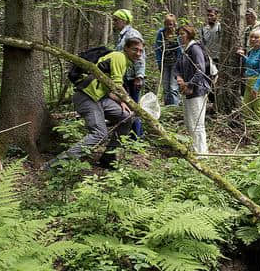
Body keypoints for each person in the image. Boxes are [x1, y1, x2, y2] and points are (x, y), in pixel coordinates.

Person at [47, 36, 145, 169]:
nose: (138, 53)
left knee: (127, 117)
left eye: (140, 51)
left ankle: (108, 158)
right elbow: (117, 86)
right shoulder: (119, 57)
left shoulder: (126, 63)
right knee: (100, 133)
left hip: (100, 98)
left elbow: (109, 89)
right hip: (86, 97)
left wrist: (121, 102)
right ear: (126, 48)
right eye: (135, 50)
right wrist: (128, 101)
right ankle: (56, 164)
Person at [175, 25, 210, 155]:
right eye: (179, 34)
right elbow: (177, 67)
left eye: (183, 34)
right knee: (189, 122)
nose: (180, 36)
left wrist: (189, 85)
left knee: (197, 123)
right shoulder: (184, 50)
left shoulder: (194, 48)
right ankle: (194, 149)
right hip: (186, 90)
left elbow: (200, 70)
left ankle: (201, 153)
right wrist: (179, 78)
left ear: (189, 34)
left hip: (197, 90)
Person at [113, 9, 145, 137]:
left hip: (133, 77)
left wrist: (139, 76)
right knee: (127, 105)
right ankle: (132, 135)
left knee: (133, 107)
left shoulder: (132, 34)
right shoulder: (122, 35)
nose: (114, 22)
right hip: (125, 75)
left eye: (116, 20)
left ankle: (136, 136)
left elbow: (140, 56)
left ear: (124, 20)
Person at [237, 29, 260, 125]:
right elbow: (250, 64)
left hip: (259, 84)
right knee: (246, 108)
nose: (253, 39)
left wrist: (256, 87)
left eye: (256, 37)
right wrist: (243, 56)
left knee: (258, 109)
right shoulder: (252, 51)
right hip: (249, 82)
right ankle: (249, 129)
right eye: (252, 37)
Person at [155, 14, 182, 105]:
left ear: (174, 24)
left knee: (173, 87)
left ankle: (174, 108)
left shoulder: (177, 34)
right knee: (166, 87)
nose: (168, 26)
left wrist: (179, 64)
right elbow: (158, 48)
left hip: (175, 64)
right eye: (166, 24)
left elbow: (180, 50)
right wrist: (159, 63)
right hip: (164, 63)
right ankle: (167, 108)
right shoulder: (161, 33)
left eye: (170, 24)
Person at [199, 7, 221, 106]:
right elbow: (202, 43)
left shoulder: (220, 28)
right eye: (208, 15)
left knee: (217, 82)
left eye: (211, 15)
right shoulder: (204, 29)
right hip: (207, 59)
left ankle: (217, 102)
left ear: (216, 16)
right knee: (208, 80)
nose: (209, 17)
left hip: (218, 58)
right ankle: (211, 101)